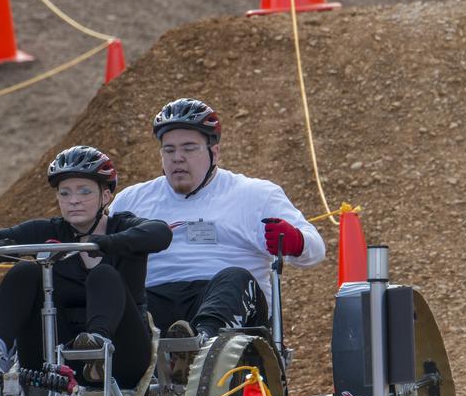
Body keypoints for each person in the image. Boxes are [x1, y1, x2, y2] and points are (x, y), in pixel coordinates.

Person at [109, 98, 325, 348]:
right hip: (155, 307)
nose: (177, 158)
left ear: (215, 152)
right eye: (169, 150)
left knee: (235, 277)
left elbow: (315, 251)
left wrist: (295, 241)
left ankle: (199, 345)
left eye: (189, 148)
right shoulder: (131, 199)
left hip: (229, 305)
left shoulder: (256, 194)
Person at [0, 145, 171, 387]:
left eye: (84, 192)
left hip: (123, 353)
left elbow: (160, 233)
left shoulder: (122, 226)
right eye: (65, 193)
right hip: (54, 353)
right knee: (25, 271)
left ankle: (96, 347)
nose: (74, 201)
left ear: (105, 196)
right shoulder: (49, 231)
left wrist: (107, 243)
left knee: (103, 274)